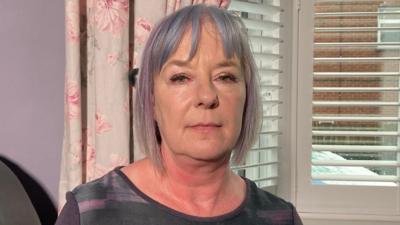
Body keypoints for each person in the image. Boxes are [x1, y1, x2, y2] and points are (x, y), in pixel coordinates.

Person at [56, 4, 303, 225]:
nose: (206, 96)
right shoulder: (89, 213)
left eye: (225, 77)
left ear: (247, 97)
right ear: (151, 100)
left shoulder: (281, 218)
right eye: (181, 78)